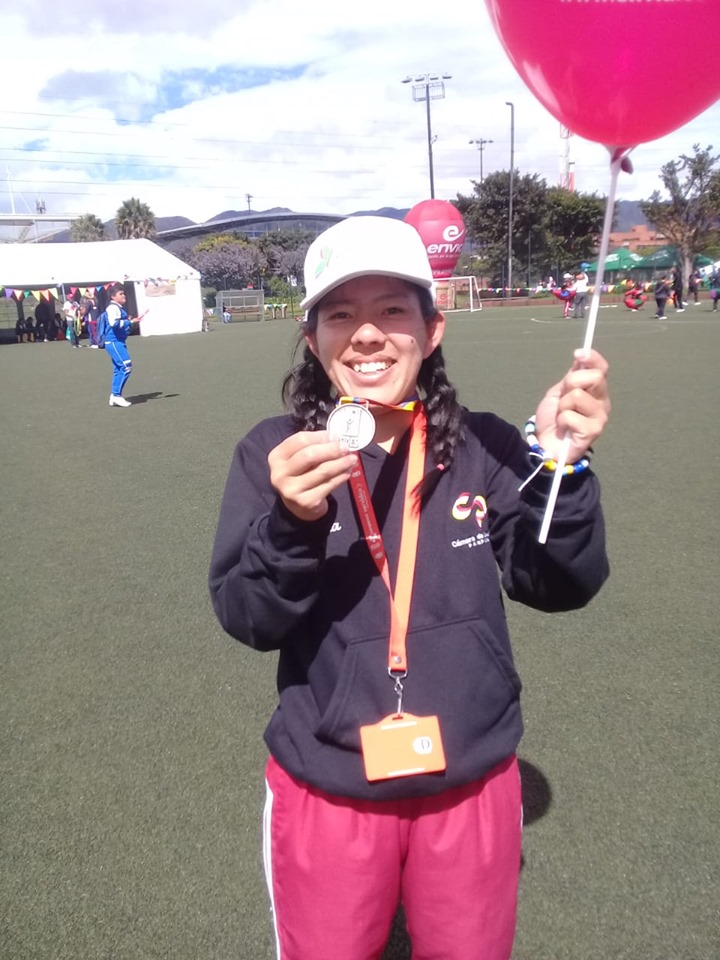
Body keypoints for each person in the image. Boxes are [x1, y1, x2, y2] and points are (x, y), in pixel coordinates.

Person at [209, 216, 611, 960]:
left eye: (392, 310)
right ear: (312, 339)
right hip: (329, 788)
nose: (366, 334)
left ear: (432, 330)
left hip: (472, 782)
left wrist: (561, 467)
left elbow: (557, 582)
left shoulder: (485, 445)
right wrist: (294, 522)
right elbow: (248, 617)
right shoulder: (275, 453)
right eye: (340, 314)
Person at [103, 283, 147, 407]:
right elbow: (114, 324)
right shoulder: (113, 308)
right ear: (113, 297)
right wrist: (130, 321)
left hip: (118, 342)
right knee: (126, 366)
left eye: (124, 293)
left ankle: (114, 395)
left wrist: (132, 321)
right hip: (114, 342)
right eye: (120, 294)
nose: (124, 296)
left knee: (118, 369)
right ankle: (116, 396)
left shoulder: (118, 308)